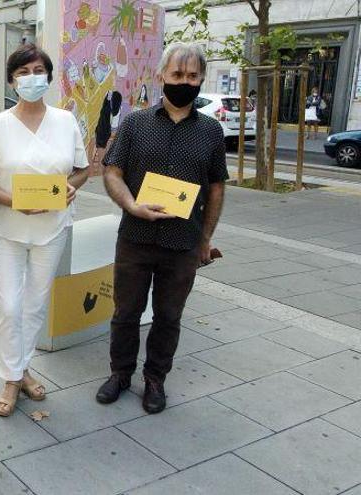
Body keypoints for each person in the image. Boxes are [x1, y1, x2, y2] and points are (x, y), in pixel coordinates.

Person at [96, 42, 228, 414]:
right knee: (125, 313)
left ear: (200, 79)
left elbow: (217, 186)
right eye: (177, 75)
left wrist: (206, 238)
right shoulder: (135, 124)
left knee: (169, 317)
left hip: (183, 243)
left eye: (191, 76)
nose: (184, 82)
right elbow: (112, 171)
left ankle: (155, 380)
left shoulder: (211, 131)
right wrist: (131, 204)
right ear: (161, 77)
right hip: (135, 239)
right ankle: (120, 374)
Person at [0, 44, 89, 417]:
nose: (31, 77)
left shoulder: (66, 121)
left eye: (38, 70)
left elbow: (82, 169)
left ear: (48, 77)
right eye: (23, 72)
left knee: (35, 305)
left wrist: (73, 186)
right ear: (11, 80)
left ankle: (19, 371)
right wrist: (12, 201)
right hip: (7, 227)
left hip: (51, 228)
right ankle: (11, 377)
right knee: (10, 305)